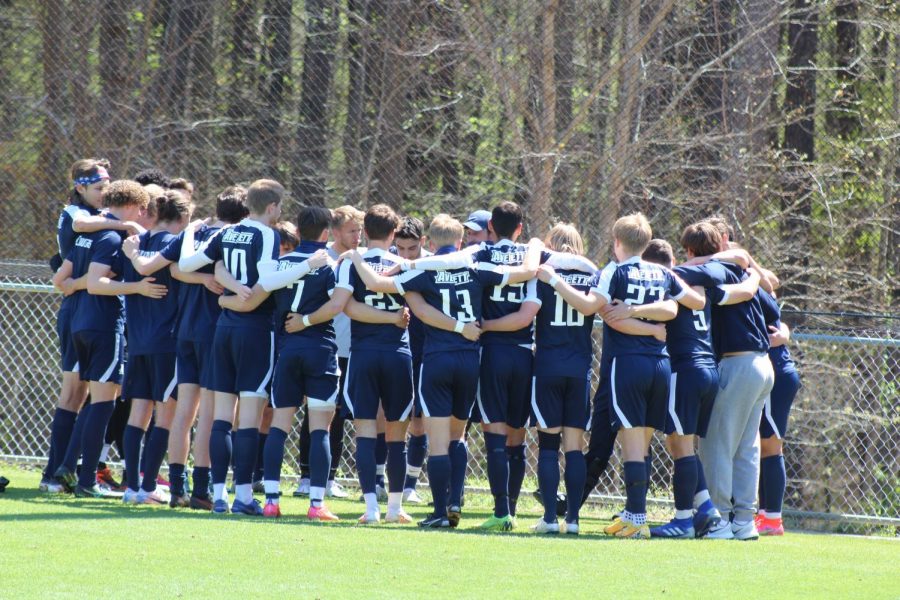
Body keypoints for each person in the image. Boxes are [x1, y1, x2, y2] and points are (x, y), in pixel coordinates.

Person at [349, 214, 540, 529]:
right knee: (458, 436)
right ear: (462, 241)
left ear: (430, 243)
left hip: (437, 359)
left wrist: (356, 256)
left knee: (437, 441)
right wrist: (533, 246)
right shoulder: (476, 268)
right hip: (470, 361)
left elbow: (379, 286)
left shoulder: (421, 270)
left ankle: (439, 512)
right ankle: (455, 502)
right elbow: (525, 272)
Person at [543, 213, 704, 538]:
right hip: (659, 365)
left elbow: (593, 308)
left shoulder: (614, 271)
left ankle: (637, 518)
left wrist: (555, 281)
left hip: (627, 365)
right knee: (641, 444)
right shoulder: (661, 271)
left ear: (617, 242)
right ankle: (634, 512)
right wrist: (649, 323)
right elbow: (687, 305)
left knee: (632, 445)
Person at [124, 186, 249, 509]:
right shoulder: (238, 239)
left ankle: (178, 486)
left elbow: (177, 268)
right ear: (246, 213)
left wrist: (197, 277)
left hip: (185, 331)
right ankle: (201, 488)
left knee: (184, 412)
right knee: (209, 412)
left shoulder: (195, 232)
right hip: (214, 332)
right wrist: (207, 280)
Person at [638, 235, 761, 538]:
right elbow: (744, 289)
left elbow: (661, 321)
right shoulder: (706, 282)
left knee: (681, 445)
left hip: (686, 369)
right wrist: (753, 271)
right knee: (681, 443)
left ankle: (685, 519)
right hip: (710, 370)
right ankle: (706, 508)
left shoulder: (669, 280)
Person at [178, 179, 285, 515]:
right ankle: (243, 497)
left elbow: (187, 265)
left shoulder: (225, 233)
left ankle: (219, 495)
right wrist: (305, 267)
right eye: (279, 207)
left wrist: (228, 286)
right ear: (271, 207)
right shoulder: (268, 234)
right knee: (249, 419)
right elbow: (266, 281)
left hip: (223, 332)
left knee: (222, 418)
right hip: (255, 330)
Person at [52, 180, 164, 498]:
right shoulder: (114, 237)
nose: (143, 213)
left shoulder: (90, 235)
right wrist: (137, 288)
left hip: (80, 324)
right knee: (103, 404)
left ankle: (70, 469)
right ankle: (87, 480)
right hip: (103, 325)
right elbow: (100, 283)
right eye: (141, 208)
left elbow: (60, 279)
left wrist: (77, 284)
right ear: (131, 205)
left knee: (93, 402)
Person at [683, 219, 775, 541]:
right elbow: (772, 304)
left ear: (693, 250)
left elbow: (681, 274)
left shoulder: (716, 271)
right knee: (746, 448)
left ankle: (719, 518)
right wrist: (747, 266)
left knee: (717, 444)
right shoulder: (739, 270)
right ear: (722, 242)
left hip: (738, 364)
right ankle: (744, 521)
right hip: (763, 365)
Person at [337, 205, 415, 524]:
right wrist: (394, 318)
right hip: (398, 353)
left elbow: (347, 307)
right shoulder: (406, 264)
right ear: (394, 234)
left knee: (365, 432)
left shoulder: (348, 263)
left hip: (363, 354)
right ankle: (394, 509)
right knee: (397, 435)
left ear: (365, 232)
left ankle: (371, 508)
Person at [119, 190, 192, 504]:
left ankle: (132, 487)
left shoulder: (136, 244)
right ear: (182, 216)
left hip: (137, 341)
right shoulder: (174, 245)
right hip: (166, 342)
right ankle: (148, 487)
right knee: (165, 416)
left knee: (138, 414)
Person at [293, 205, 363, 499]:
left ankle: (329, 477)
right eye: (352, 231)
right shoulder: (323, 259)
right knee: (319, 411)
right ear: (334, 232)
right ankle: (307, 477)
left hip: (352, 347)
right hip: (326, 344)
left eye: (360, 231)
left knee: (339, 414)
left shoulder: (360, 258)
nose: (358, 236)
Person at [756, 289, 801, 536]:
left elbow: (771, 282)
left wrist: (784, 332)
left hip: (777, 373)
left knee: (771, 446)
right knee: (762, 446)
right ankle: (764, 515)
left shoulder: (753, 283)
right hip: (763, 374)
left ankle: (773, 518)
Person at [392, 216, 431, 504]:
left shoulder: (432, 265)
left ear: (424, 243)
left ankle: (410, 485)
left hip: (425, 349)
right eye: (400, 248)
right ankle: (382, 479)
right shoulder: (386, 265)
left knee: (420, 421)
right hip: (392, 348)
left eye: (412, 249)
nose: (405, 255)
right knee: (390, 417)